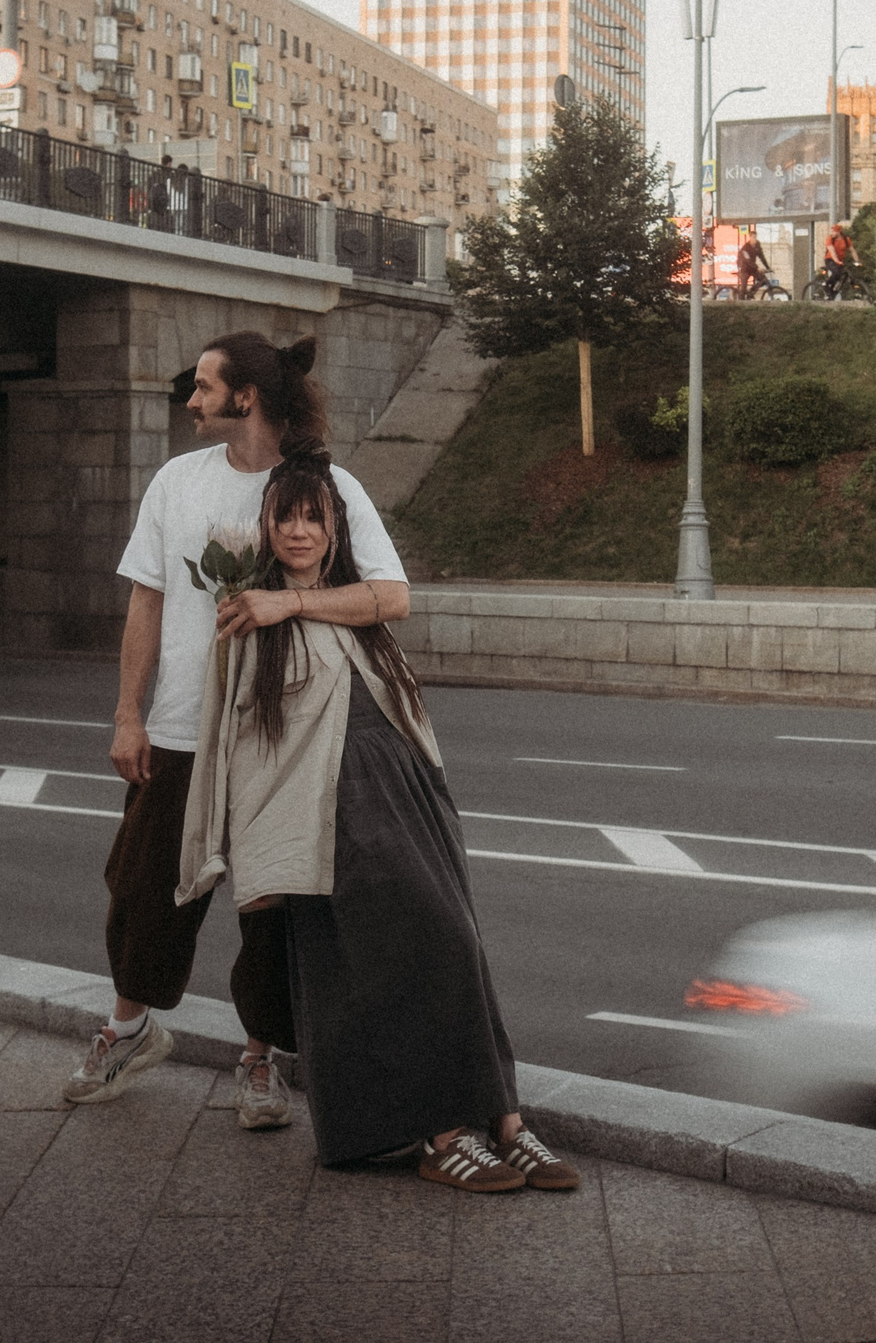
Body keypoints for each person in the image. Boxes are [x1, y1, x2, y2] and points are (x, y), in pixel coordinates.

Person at [181, 449, 580, 1195]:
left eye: (314, 518)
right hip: (326, 809)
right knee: (398, 957)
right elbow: (225, 744)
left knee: (458, 948)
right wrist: (232, 856)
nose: (300, 532)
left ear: (334, 530)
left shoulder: (351, 603)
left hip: (404, 788)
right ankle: (440, 1134)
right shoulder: (244, 615)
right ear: (264, 527)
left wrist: (294, 603)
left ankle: (503, 1122)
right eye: (285, 517)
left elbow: (393, 610)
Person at [64, 332, 410, 1132]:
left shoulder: (325, 487)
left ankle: (259, 1058)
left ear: (246, 396)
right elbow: (146, 602)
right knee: (144, 888)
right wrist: (128, 713)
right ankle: (129, 1029)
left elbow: (390, 596)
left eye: (205, 387)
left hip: (281, 735)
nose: (190, 399)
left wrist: (291, 601)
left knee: (270, 907)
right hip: (182, 726)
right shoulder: (176, 483)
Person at [822, 221, 856, 300]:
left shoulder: (846, 240)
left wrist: (857, 261)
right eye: (832, 231)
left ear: (839, 232)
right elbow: (832, 250)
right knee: (836, 272)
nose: (832, 233)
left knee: (842, 274)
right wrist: (836, 261)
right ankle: (825, 284)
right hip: (830, 259)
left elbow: (852, 251)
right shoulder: (829, 239)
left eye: (834, 231)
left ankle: (833, 292)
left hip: (840, 260)